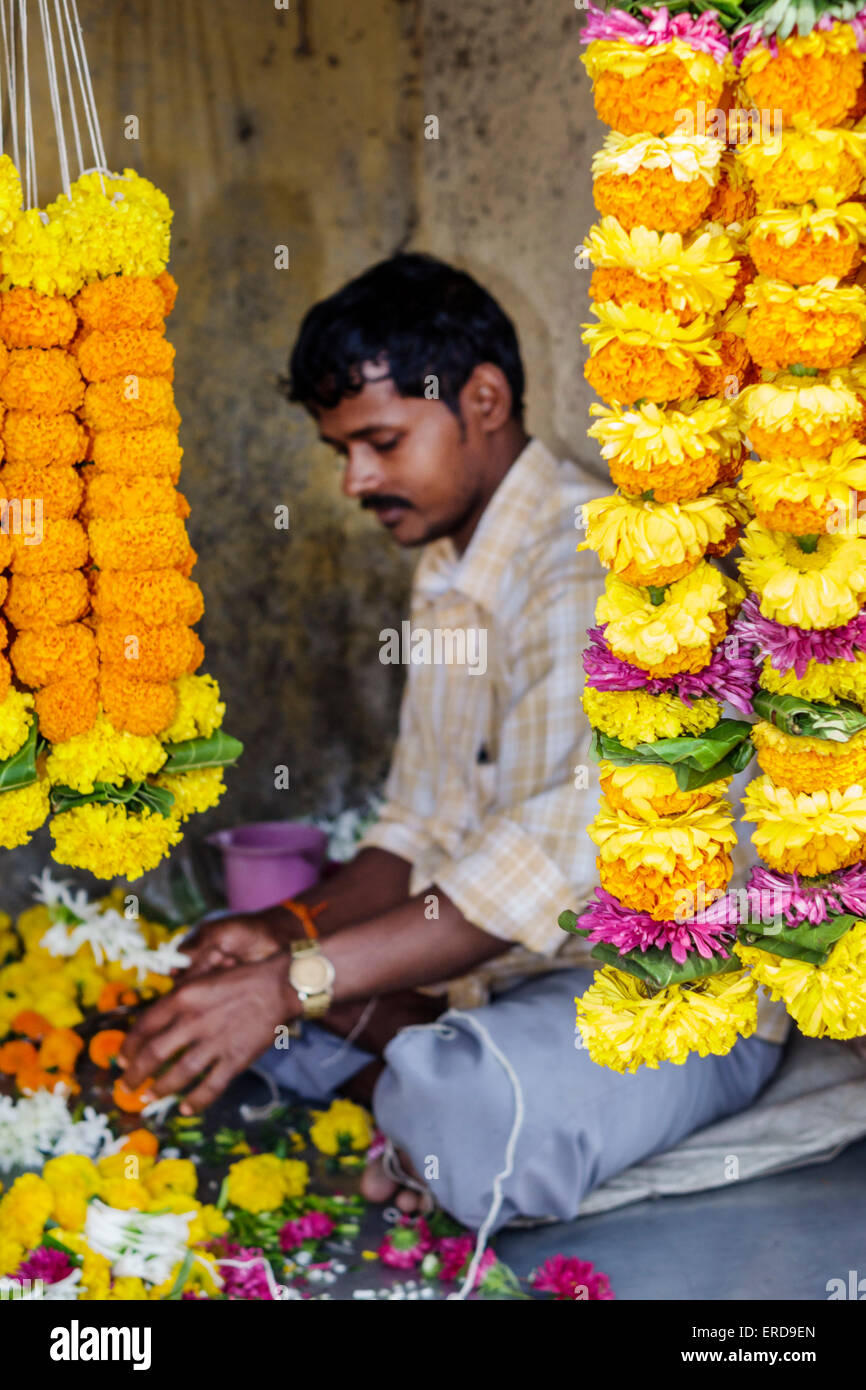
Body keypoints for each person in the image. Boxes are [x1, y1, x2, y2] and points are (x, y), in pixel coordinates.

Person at [119, 253, 786, 1232]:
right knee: (247, 1011)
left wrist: (298, 983)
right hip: (506, 969)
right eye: (340, 449)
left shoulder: (590, 564)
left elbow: (542, 870)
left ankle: (422, 1059)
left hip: (659, 991)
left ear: (483, 398)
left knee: (463, 1110)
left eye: (379, 442)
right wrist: (286, 935)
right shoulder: (450, 562)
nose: (355, 479)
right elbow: (415, 825)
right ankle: (410, 1039)